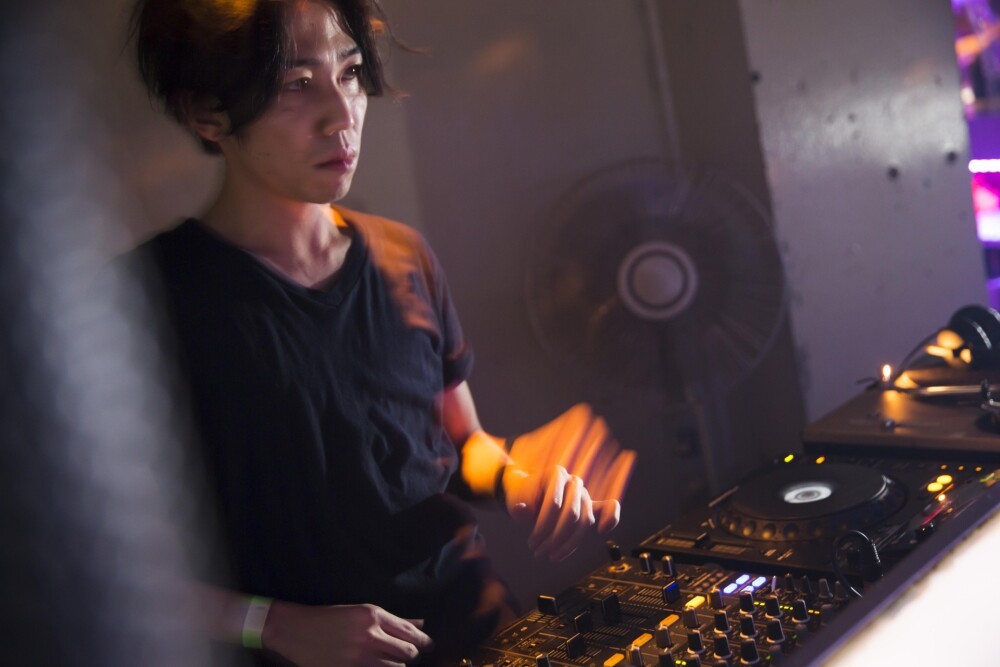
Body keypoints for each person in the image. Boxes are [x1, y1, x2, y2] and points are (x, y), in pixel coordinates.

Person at [126, 0, 635, 664]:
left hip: (483, 633)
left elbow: (463, 446)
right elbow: (103, 563)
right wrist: (276, 625)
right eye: (296, 84)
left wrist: (519, 477)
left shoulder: (403, 255)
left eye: (349, 72)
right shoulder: (147, 303)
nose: (341, 115)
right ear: (205, 111)